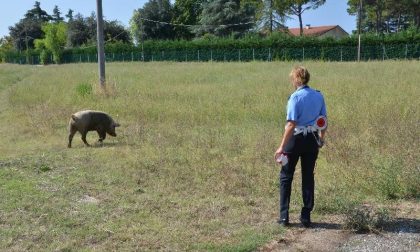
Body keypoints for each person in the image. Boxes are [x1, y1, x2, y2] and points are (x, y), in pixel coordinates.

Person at [274, 66, 327, 228]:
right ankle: (306, 215)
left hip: (295, 140)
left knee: (286, 176)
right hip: (311, 139)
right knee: (308, 176)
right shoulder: (318, 96)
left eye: (292, 78)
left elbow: (291, 124)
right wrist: (321, 139)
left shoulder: (295, 98)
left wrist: (281, 147)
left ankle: (284, 217)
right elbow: (323, 121)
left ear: (297, 79)